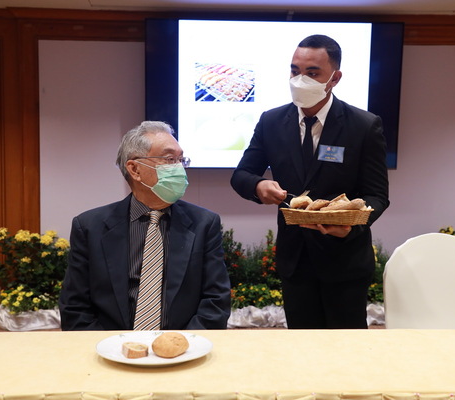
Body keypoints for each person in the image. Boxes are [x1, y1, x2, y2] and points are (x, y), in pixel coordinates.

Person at [230, 34, 389, 329]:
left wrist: (350, 226)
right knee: (302, 347)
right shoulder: (271, 122)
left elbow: (377, 196)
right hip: (295, 260)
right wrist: (258, 186)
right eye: (295, 71)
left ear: (334, 78)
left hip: (344, 260)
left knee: (346, 347)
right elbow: (241, 175)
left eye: (312, 73)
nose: (300, 80)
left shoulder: (363, 126)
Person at [60, 121, 231, 330]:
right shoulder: (89, 227)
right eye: (169, 159)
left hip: (184, 344)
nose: (178, 168)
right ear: (135, 169)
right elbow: (75, 308)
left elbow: (216, 302)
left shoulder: (204, 224)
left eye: (181, 160)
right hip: (110, 344)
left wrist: (183, 344)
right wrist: (111, 345)